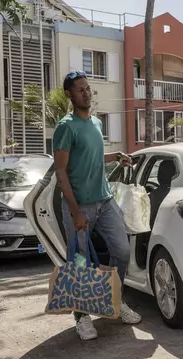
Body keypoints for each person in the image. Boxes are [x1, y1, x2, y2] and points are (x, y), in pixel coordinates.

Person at [53, 70, 142, 341]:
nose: (86, 93)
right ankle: (82, 317)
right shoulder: (65, 127)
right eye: (80, 90)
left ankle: (115, 301)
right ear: (69, 94)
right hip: (79, 205)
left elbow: (92, 157)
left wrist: (117, 156)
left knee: (122, 251)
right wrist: (76, 211)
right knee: (80, 263)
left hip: (105, 201)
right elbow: (61, 172)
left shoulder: (95, 123)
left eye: (88, 88)